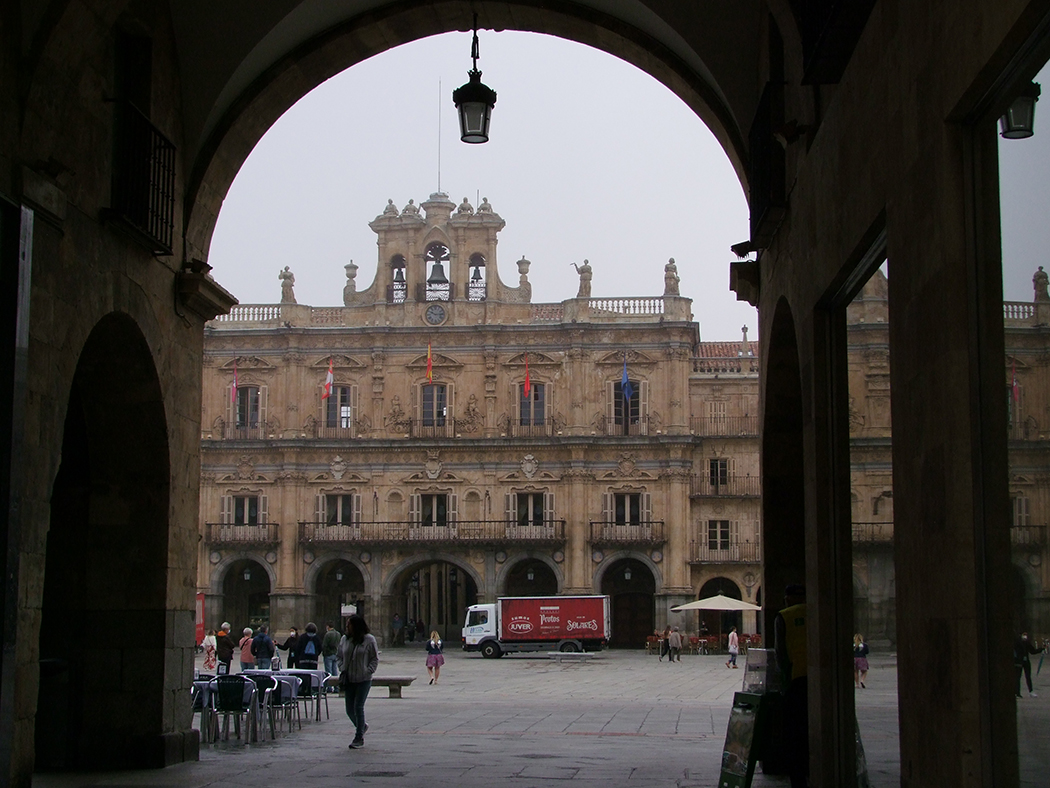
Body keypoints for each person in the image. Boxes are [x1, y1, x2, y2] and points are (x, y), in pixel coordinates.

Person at [774, 584, 808, 788]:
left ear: (787, 598)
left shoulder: (784, 616)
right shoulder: (820, 610)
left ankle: (798, 779)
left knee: (794, 732)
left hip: (796, 678)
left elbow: (780, 653)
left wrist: (784, 676)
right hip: (821, 679)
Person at [338, 614, 379, 749]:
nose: (346, 627)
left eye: (349, 624)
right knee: (349, 709)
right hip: (349, 678)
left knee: (358, 707)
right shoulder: (344, 639)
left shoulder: (369, 640)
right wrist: (341, 667)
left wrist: (368, 671)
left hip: (363, 679)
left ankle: (358, 737)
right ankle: (362, 726)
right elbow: (339, 656)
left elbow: (374, 658)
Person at [1014, 631, 1044, 698]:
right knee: (1018, 677)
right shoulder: (1016, 642)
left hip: (1026, 661)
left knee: (1028, 677)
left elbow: (1032, 651)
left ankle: (1031, 691)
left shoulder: (1027, 643)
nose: (1025, 636)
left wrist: (1041, 649)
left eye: (1026, 635)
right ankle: (1017, 693)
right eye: (1024, 635)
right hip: (1018, 662)